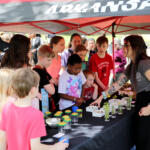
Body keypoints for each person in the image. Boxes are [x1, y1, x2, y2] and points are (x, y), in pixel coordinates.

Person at [91, 35, 150, 150]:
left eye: (126, 45)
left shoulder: (144, 63)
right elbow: (117, 85)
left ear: (135, 47)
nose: (123, 48)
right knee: (141, 141)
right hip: (141, 103)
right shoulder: (131, 65)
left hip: (147, 103)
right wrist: (100, 98)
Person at [0, 68, 68, 150]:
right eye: (38, 86)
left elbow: (2, 140)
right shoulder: (36, 115)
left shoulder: (6, 108)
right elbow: (36, 147)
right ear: (33, 90)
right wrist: (55, 147)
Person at [33, 45, 56, 112]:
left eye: (51, 60)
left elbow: (52, 80)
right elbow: (52, 91)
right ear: (40, 58)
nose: (50, 63)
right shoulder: (40, 72)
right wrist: (51, 83)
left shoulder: (42, 70)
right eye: (48, 60)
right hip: (42, 104)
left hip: (43, 102)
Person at [46, 36, 65, 111]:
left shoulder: (60, 57)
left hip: (56, 86)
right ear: (54, 45)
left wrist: (58, 78)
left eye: (64, 45)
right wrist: (52, 80)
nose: (63, 47)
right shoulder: (48, 57)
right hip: (47, 86)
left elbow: (58, 72)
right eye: (61, 44)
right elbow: (44, 72)